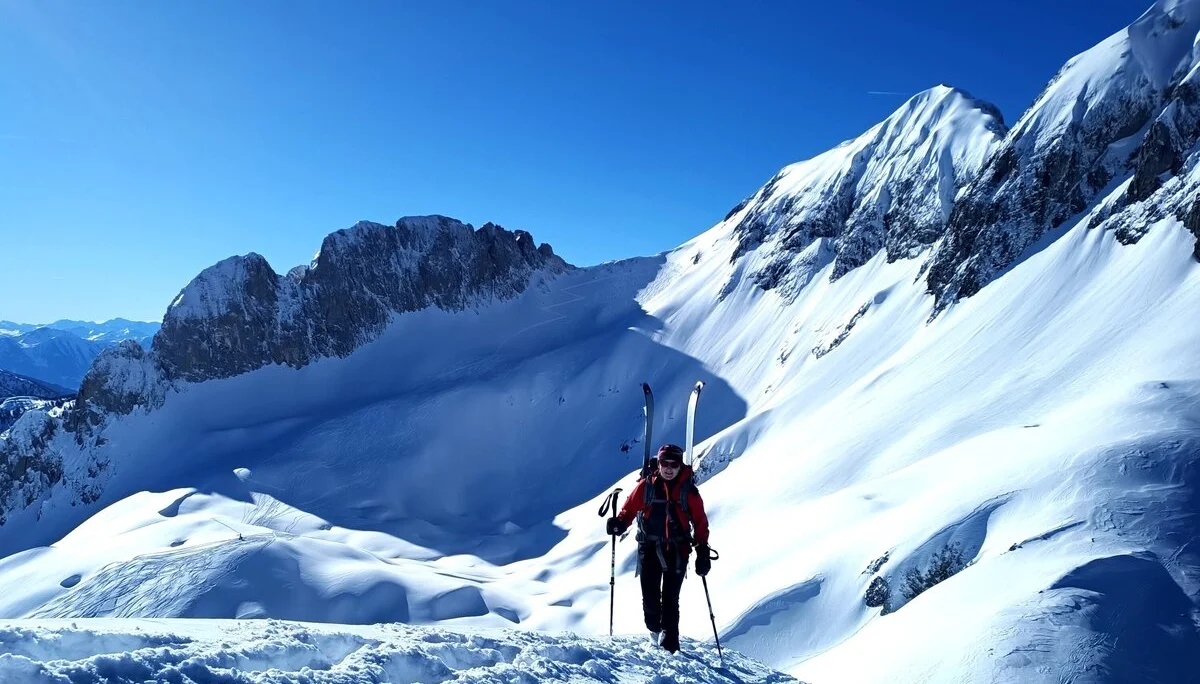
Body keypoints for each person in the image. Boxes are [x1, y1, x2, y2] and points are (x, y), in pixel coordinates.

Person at [606, 444, 711, 653]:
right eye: (665, 463)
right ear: (659, 464)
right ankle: (655, 632)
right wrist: (619, 523)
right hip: (649, 548)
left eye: (674, 464)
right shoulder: (646, 487)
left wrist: (703, 551)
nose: (669, 468)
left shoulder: (688, 492)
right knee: (650, 598)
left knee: (671, 599)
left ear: (680, 466)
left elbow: (700, 522)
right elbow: (629, 509)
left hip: (678, 550)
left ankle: (670, 645)